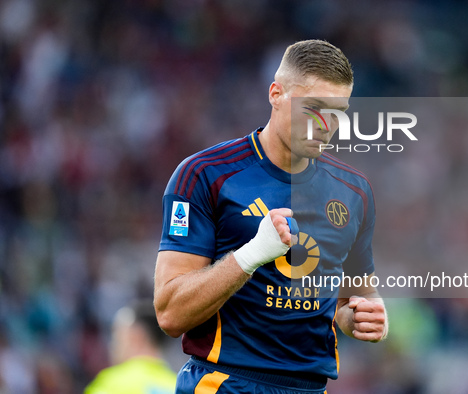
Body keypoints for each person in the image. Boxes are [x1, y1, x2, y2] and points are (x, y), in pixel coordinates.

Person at [154, 39, 388, 394]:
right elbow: (170, 314)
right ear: (276, 94)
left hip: (311, 388)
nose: (326, 124)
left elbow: (352, 300)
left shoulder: (353, 191)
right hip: (227, 383)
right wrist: (250, 255)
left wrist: (361, 318)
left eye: (338, 112)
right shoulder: (205, 175)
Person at [84, 300, 177, 394]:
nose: (111, 346)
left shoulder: (112, 384)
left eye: (116, 337)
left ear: (136, 337)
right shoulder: (177, 386)